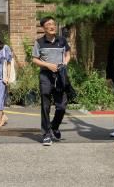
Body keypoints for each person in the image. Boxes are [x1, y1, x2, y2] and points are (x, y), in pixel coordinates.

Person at [32, 16, 71, 146]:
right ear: (43, 28)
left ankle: (54, 126)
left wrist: (65, 63)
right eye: (48, 24)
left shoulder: (62, 40)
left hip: (60, 76)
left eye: (53, 24)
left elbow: (68, 54)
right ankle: (46, 134)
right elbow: (35, 59)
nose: (52, 26)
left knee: (62, 105)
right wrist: (48, 65)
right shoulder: (39, 42)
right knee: (45, 106)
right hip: (46, 76)